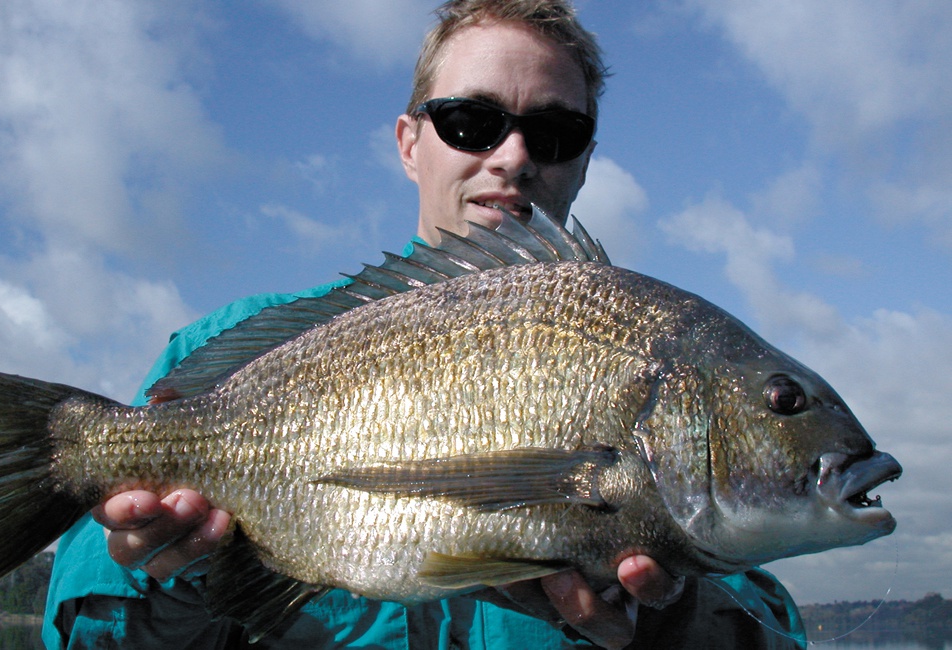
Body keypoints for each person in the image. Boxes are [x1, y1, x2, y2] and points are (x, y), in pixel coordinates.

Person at [43, 1, 807, 648]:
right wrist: (174, 575)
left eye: (553, 133)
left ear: (583, 160)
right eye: (471, 121)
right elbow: (79, 630)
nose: (512, 156)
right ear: (410, 143)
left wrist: (669, 624)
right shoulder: (230, 346)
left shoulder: (651, 364)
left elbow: (775, 629)